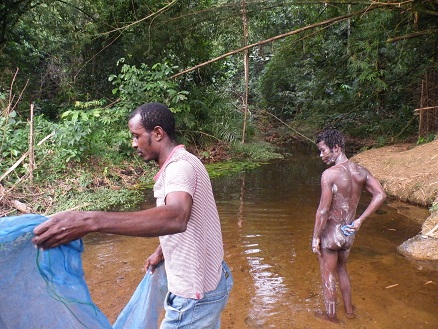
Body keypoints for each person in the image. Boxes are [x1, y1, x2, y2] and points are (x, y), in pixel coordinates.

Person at [32, 102, 233, 329]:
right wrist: (163, 249)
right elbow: (196, 221)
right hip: (213, 280)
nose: (133, 143)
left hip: (195, 297)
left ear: (157, 133)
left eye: (137, 136)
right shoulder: (188, 160)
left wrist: (91, 220)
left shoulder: (179, 169)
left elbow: (176, 217)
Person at [312, 128, 386, 323]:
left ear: (336, 148)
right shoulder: (361, 171)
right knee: (342, 270)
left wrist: (315, 237)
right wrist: (360, 220)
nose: (321, 155)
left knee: (328, 275)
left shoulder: (329, 175)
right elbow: (380, 194)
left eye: (323, 150)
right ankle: (350, 311)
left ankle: (331, 317)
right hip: (348, 233)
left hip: (331, 234)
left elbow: (323, 211)